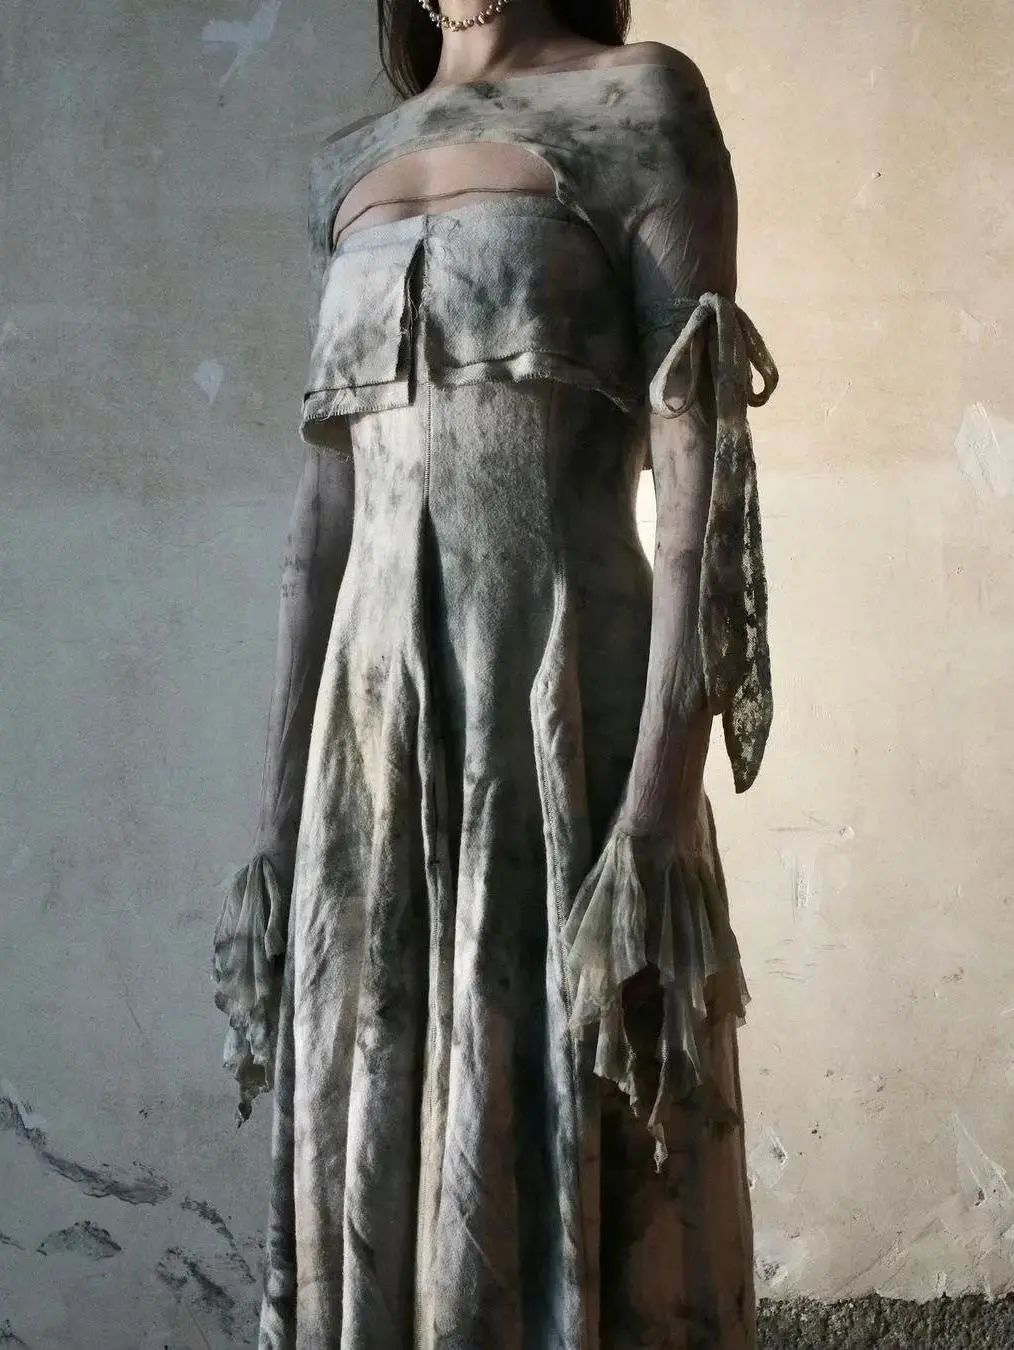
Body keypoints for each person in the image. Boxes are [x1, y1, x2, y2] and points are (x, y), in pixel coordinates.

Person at [211, 0, 779, 1344]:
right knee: (375, 1092)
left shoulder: (638, 101)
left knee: (581, 1089)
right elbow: (325, 517)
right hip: (373, 733)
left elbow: (697, 466)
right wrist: (276, 829)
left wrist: (656, 803)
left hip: (560, 709)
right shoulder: (343, 166)